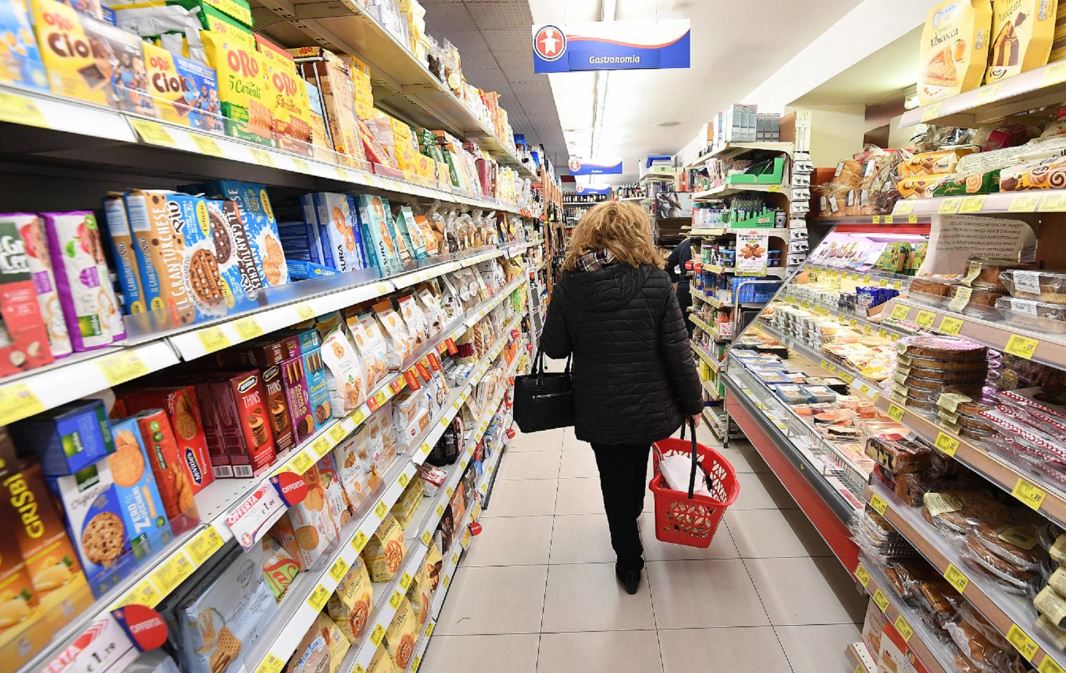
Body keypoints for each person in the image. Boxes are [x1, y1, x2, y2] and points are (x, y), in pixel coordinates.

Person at [540, 201, 703, 595]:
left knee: (612, 477)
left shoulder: (571, 283)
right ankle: (634, 512)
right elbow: (678, 351)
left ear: (588, 234)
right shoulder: (656, 281)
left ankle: (628, 561)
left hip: (599, 405)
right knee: (636, 458)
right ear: (637, 233)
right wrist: (693, 403)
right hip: (648, 402)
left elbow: (555, 348)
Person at [666, 235, 695, 337]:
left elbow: (668, 264)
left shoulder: (684, 244)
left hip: (684, 286)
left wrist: (675, 280)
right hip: (703, 287)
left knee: (683, 323)